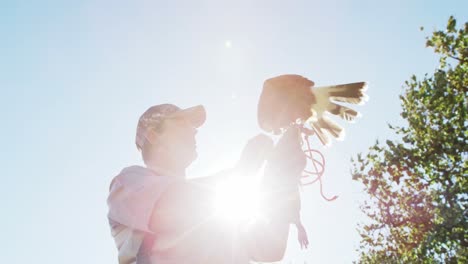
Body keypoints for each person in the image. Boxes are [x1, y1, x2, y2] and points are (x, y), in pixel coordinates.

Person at [107, 103, 306, 264]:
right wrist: (241, 171)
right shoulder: (127, 182)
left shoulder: (209, 210)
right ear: (153, 135)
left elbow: (269, 248)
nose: (194, 132)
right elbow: (171, 208)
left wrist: (282, 178)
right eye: (183, 123)